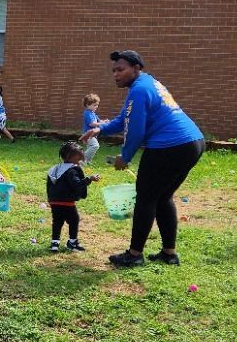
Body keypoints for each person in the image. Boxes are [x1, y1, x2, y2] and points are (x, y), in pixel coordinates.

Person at [82, 50, 204, 268]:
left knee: (147, 198)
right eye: (114, 70)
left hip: (170, 146)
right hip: (192, 143)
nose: (116, 74)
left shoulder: (139, 90)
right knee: (163, 196)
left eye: (121, 70)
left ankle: (135, 254)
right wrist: (101, 129)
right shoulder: (148, 84)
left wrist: (125, 157)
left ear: (137, 68)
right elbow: (126, 119)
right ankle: (169, 253)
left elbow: (136, 131)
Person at [46, 141, 99, 252]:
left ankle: (54, 243)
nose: (80, 159)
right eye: (79, 157)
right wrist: (90, 179)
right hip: (67, 202)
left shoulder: (56, 168)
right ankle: (72, 243)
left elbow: (49, 184)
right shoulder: (72, 171)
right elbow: (77, 184)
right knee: (74, 220)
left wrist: (50, 199)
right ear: (70, 157)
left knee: (57, 221)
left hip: (54, 201)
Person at [82, 93, 102, 165]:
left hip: (92, 134)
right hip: (88, 134)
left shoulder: (93, 113)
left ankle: (88, 161)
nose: (96, 106)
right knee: (95, 146)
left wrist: (104, 122)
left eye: (97, 105)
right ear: (87, 105)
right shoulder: (87, 113)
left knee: (90, 148)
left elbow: (98, 121)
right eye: (94, 105)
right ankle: (81, 159)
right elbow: (92, 124)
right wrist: (101, 124)